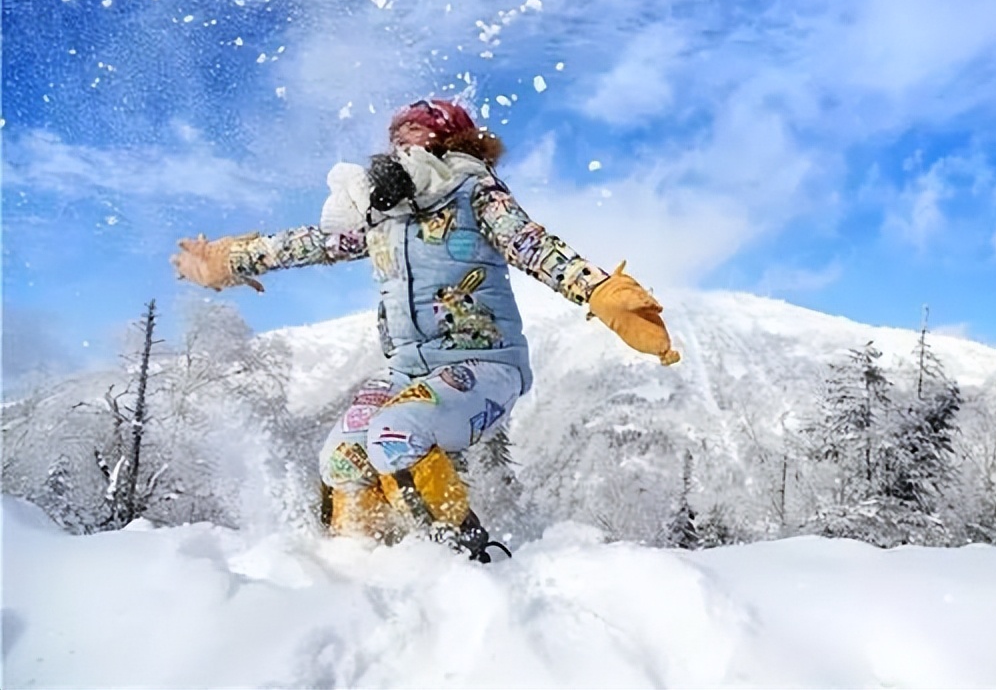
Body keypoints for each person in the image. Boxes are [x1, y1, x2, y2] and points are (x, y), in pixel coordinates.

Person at [171, 98, 679, 560]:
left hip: (484, 364)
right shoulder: (381, 214)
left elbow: (532, 244)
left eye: (415, 131)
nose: (401, 141)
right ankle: (355, 571)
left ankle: (461, 564)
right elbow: (307, 243)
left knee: (397, 435)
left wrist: (599, 291)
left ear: (449, 140)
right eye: (396, 134)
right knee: (340, 462)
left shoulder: (475, 193)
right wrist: (229, 261)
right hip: (407, 369)